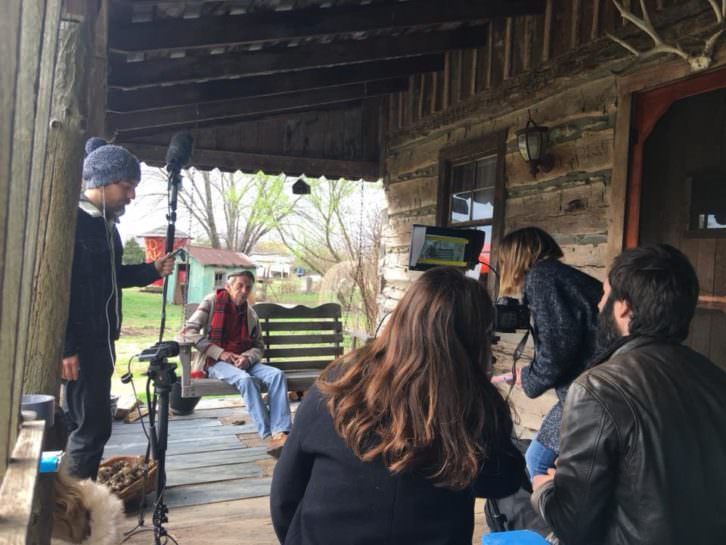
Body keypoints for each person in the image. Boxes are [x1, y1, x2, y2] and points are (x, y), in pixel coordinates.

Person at [270, 267, 526, 545]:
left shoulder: (338, 383)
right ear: (477, 340)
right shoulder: (477, 405)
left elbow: (285, 494)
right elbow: (504, 481)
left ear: (402, 319)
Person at [531, 244, 726, 544]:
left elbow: (573, 525)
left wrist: (544, 489)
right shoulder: (716, 378)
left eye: (605, 295)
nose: (598, 306)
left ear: (624, 307)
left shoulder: (598, 388)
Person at [63, 138, 174, 479]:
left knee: (94, 426)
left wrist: (151, 270)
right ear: (102, 181)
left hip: (102, 342)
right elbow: (58, 289)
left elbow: (113, 278)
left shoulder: (109, 227)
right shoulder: (74, 224)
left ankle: (78, 499)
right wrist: (67, 348)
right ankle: (74, 513)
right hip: (81, 347)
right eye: (127, 187)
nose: (131, 196)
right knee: (91, 429)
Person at [497, 227, 602, 479]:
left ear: (515, 258)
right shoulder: (559, 275)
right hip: (591, 387)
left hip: (592, 394)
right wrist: (529, 372)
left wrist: (532, 380)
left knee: (538, 464)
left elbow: (558, 350)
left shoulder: (542, 277)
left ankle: (553, 517)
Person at [181, 270, 291, 457]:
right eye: (239, 285)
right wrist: (220, 353)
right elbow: (187, 332)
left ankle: (282, 432)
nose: (244, 290)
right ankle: (268, 435)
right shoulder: (212, 302)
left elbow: (258, 346)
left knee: (277, 375)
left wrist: (247, 357)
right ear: (228, 287)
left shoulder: (250, 314)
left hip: (243, 361)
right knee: (245, 380)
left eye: (248, 287)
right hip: (215, 362)